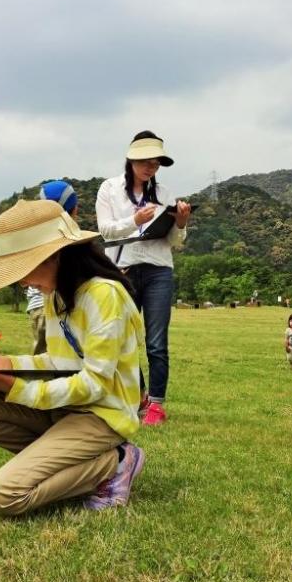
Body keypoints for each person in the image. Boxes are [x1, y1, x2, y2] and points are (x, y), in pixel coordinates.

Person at [0, 199, 146, 514]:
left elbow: (96, 383)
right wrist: (6, 364)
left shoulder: (104, 296)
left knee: (5, 495)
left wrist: (17, 389)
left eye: (24, 269)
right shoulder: (57, 297)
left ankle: (116, 461)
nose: (22, 281)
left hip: (101, 415)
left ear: (55, 256)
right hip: (66, 409)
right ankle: (60, 461)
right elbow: (58, 363)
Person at [95, 130, 191, 426]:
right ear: (131, 160)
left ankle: (157, 405)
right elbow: (106, 230)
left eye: (156, 163)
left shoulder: (163, 193)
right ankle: (139, 396)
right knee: (123, 339)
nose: (151, 168)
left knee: (157, 342)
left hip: (159, 269)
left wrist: (181, 224)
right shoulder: (109, 189)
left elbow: (175, 242)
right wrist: (135, 221)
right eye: (146, 162)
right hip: (123, 269)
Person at [25, 180, 81, 356]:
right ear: (75, 211)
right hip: (69, 305)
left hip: (38, 306)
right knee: (68, 358)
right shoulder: (76, 242)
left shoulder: (32, 238)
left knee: (45, 358)